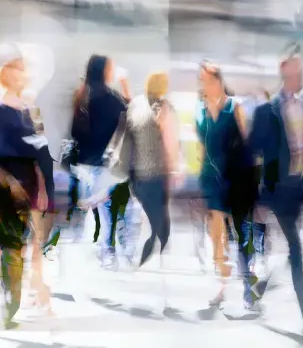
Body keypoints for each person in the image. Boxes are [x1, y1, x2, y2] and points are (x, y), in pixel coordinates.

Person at [0, 43, 54, 330]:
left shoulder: (29, 109)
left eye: (23, 68)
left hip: (27, 188)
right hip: (6, 189)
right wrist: (10, 183)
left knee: (2, 250)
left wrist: (42, 187)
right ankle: (2, 312)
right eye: (17, 68)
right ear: (5, 72)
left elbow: (39, 152)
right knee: (8, 249)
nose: (23, 73)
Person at [86, 71, 182, 310]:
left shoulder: (136, 104)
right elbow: (171, 146)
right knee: (162, 231)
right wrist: (176, 171)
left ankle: (138, 265)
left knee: (155, 227)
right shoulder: (164, 108)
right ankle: (139, 270)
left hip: (136, 179)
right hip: (156, 178)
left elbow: (126, 128)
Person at [246, 46, 303, 331]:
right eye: (296, 69)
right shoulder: (267, 112)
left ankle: (261, 287)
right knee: (295, 248)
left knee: (293, 249)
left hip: (299, 187)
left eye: (302, 69)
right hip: (277, 189)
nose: (301, 75)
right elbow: (251, 152)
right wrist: (254, 194)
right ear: (284, 71)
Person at [196, 61, 258, 310]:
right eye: (202, 80)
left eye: (208, 80)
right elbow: (202, 148)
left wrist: (251, 180)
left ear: (219, 82)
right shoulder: (200, 111)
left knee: (241, 235)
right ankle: (222, 284)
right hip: (211, 178)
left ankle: (247, 285)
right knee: (217, 236)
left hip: (235, 179)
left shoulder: (235, 107)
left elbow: (248, 147)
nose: (205, 85)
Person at [67, 55, 129, 268]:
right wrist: (125, 84)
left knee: (93, 207)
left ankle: (95, 247)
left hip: (84, 162)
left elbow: (74, 131)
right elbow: (129, 115)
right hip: (103, 161)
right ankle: (106, 250)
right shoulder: (112, 98)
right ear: (104, 71)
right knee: (105, 207)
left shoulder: (80, 96)